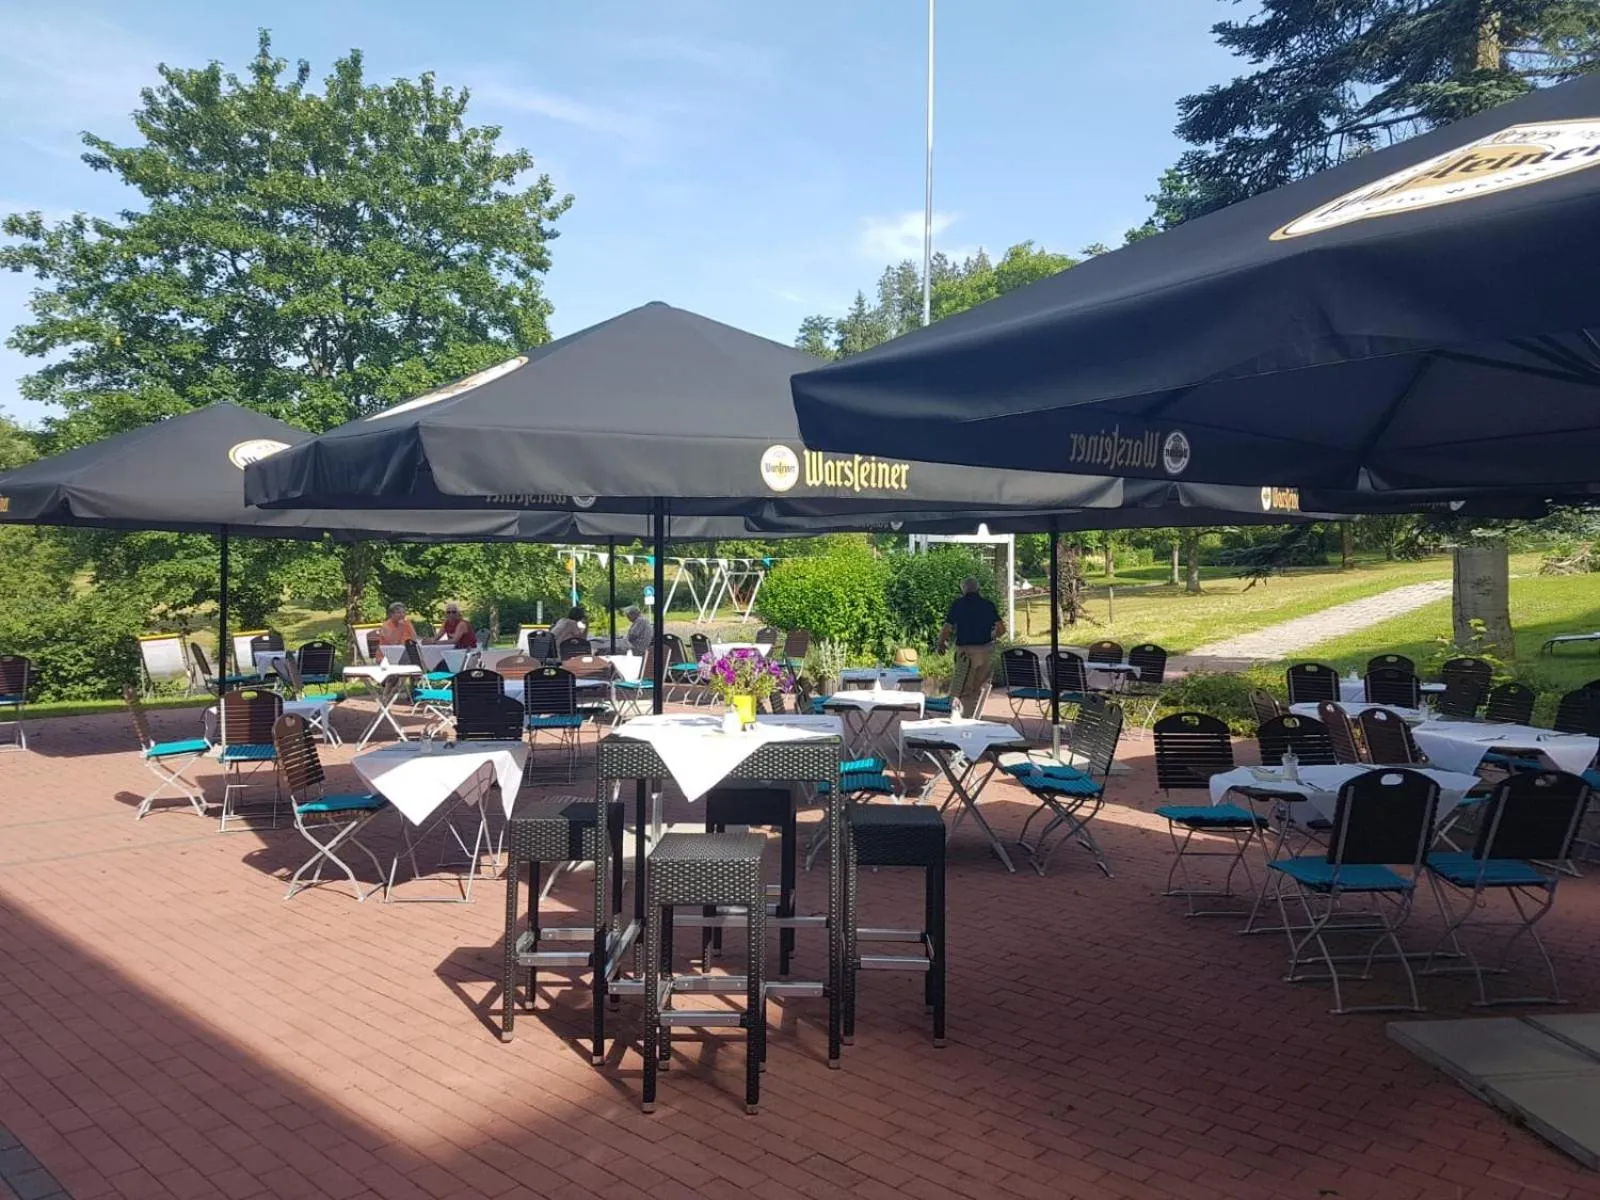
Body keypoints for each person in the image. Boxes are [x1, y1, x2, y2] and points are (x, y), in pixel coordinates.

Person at [937, 577, 1004, 718]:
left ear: (963, 590)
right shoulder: (988, 605)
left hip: (965, 653)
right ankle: (972, 716)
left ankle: (962, 718)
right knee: (978, 687)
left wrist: (941, 644)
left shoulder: (958, 605)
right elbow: (1001, 628)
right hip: (985, 651)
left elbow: (947, 628)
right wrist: (993, 635)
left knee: (962, 687)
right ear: (978, 589)